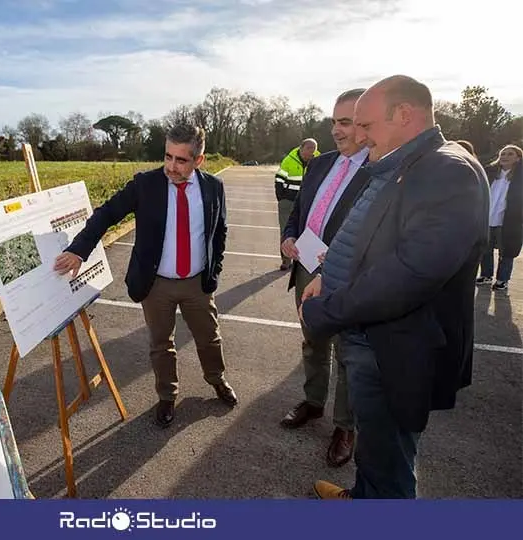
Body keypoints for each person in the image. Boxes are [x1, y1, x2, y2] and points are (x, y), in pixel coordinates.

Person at [299, 75, 489, 499]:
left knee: (392, 468)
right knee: (377, 449)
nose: (359, 137)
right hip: (372, 340)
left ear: (404, 115)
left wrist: (326, 311)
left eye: (366, 126)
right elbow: (370, 237)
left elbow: (410, 273)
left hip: (395, 349)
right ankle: (361, 498)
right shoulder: (404, 164)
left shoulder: (446, 171)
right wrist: (329, 276)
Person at [54, 123, 237, 428]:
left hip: (197, 284)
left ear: (199, 161)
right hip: (156, 285)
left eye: (181, 160)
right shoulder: (145, 185)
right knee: (161, 343)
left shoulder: (213, 188)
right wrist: (79, 249)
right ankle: (167, 396)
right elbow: (106, 214)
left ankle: (217, 379)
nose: (171, 166)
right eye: (167, 157)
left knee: (209, 338)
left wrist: (214, 270)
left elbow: (220, 232)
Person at [279, 88, 370, 467]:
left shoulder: (377, 171)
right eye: (334, 120)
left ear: (367, 125)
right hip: (306, 268)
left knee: (348, 354)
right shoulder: (319, 164)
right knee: (312, 342)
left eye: (346, 122)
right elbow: (299, 209)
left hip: (347, 278)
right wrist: (288, 235)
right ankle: (313, 403)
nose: (337, 129)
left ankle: (345, 426)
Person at [476, 144, 523, 291]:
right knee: (485, 250)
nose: (505, 157)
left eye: (510, 154)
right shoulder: (490, 172)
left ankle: (502, 280)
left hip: (508, 222)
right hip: (488, 218)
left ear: (518, 158)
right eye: (503, 154)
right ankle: (486, 275)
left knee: (506, 252)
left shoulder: (520, 177)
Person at [275, 139, 320, 270]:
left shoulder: (319, 161)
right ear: (301, 148)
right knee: (286, 231)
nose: (311, 152)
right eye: (309, 149)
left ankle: (302, 260)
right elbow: (279, 180)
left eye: (314, 149)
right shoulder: (289, 160)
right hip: (288, 201)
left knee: (307, 231)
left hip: (307, 203)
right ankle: (286, 260)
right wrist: (282, 199)